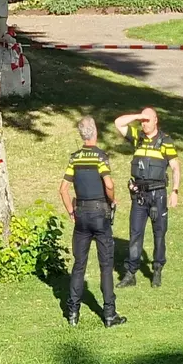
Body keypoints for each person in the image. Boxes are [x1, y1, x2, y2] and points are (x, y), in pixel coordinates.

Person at [58, 116, 127, 328]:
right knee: (106, 266)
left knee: (79, 265)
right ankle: (109, 314)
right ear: (95, 131)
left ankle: (73, 313)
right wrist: (113, 199)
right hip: (100, 214)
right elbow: (109, 183)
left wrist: (71, 211)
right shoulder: (100, 157)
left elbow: (63, 189)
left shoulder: (75, 158)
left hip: (81, 216)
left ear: (81, 134)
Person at [114, 107, 180, 288]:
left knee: (159, 233)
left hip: (157, 194)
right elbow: (118, 123)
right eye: (142, 121)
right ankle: (131, 273)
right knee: (135, 233)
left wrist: (175, 190)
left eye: (147, 120)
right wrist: (137, 116)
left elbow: (175, 166)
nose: (144, 124)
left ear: (156, 120)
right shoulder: (138, 138)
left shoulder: (165, 141)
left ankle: (157, 270)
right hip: (139, 195)